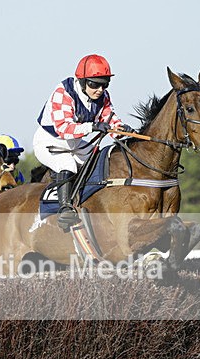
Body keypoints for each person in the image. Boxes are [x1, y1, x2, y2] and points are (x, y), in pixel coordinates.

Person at [33, 54, 134, 229]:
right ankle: (65, 210)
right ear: (81, 81)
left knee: (102, 161)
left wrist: (122, 130)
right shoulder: (63, 93)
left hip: (74, 145)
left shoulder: (103, 96)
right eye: (94, 84)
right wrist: (92, 127)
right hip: (50, 143)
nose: (100, 89)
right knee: (68, 164)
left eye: (104, 84)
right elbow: (63, 128)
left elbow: (110, 120)